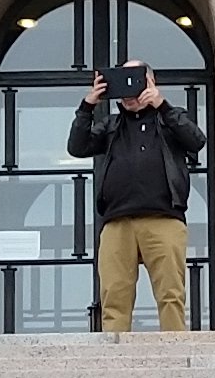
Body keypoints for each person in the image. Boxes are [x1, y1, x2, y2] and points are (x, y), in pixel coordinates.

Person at [70, 61, 207, 332]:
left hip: (163, 218)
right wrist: (88, 105)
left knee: (170, 294)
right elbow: (77, 146)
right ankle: (115, 362)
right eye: (123, 80)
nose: (129, 90)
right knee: (114, 297)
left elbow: (196, 140)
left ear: (150, 81)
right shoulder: (111, 125)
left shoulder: (169, 119)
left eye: (136, 79)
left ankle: (175, 354)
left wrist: (162, 105)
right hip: (117, 222)